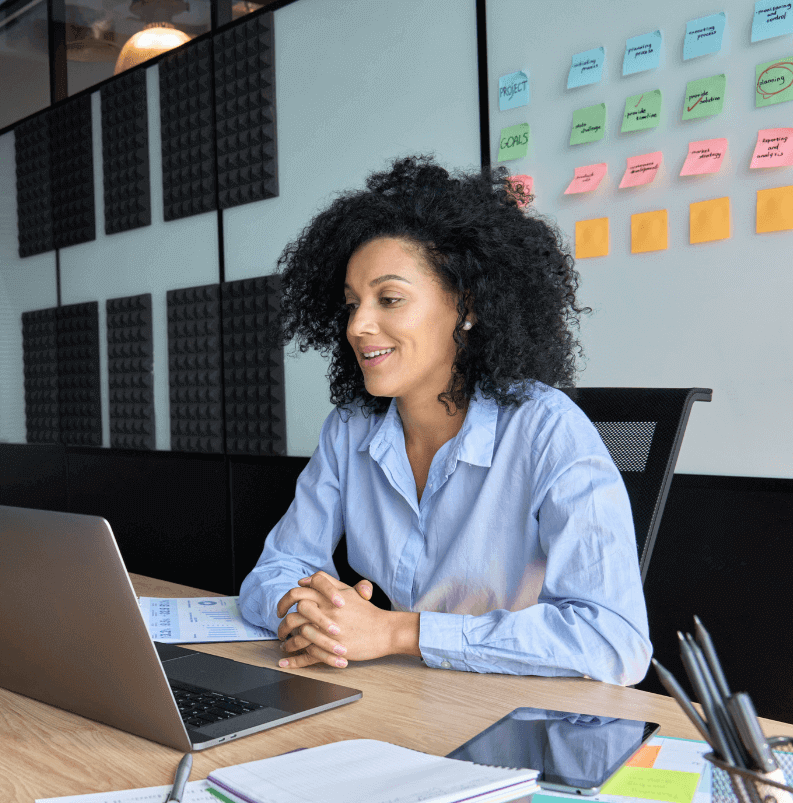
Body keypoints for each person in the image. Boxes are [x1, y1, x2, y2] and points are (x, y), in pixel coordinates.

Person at [236, 156, 651, 685]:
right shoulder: (350, 430)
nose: (359, 326)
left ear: (467, 305)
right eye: (351, 304)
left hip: (520, 714)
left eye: (389, 299)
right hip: (413, 696)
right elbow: (273, 572)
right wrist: (306, 613)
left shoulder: (547, 430)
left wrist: (398, 633)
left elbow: (614, 641)